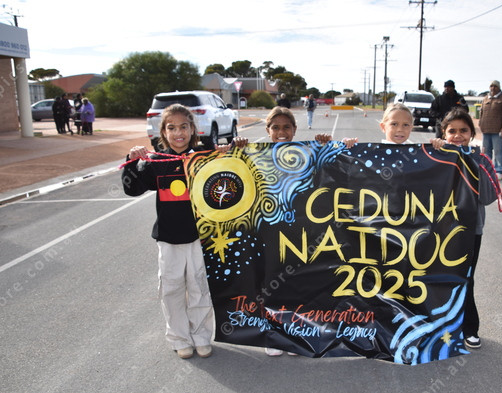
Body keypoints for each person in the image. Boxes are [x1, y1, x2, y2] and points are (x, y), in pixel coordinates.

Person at [234, 106, 355, 356]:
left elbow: (333, 169)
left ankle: (296, 332)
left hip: (300, 232)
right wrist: (237, 148)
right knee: (270, 284)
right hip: (268, 232)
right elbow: (233, 171)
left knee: (298, 283)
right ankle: (274, 335)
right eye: (275, 127)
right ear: (267, 130)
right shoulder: (255, 155)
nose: (281, 132)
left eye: (286, 127)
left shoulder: (307, 153)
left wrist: (330, 145)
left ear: (294, 129)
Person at [121, 104, 214, 359]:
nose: (178, 133)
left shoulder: (205, 159)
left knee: (200, 288)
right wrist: (132, 160)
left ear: (192, 129)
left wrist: (233, 149)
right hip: (168, 238)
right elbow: (132, 189)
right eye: (171, 128)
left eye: (184, 126)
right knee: (172, 290)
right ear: (163, 132)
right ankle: (179, 338)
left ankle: (202, 337)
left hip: (200, 238)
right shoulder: (156, 161)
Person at [430, 108, 500, 350]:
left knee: (465, 277)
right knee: (433, 276)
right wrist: (437, 153)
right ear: (443, 133)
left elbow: (488, 198)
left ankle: (470, 328)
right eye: (452, 131)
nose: (457, 135)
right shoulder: (434, 156)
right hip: (437, 229)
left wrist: (475, 163)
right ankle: (435, 326)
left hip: (470, 231)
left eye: (463, 130)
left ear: (472, 133)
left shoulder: (481, 159)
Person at [479, 80, 502, 180]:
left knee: (498, 152)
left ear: (499, 87)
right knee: (486, 152)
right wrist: (480, 125)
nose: (493, 88)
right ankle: (488, 170)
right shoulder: (485, 99)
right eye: (491, 86)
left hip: (498, 132)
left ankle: (499, 171)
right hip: (486, 131)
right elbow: (481, 113)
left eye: (495, 86)